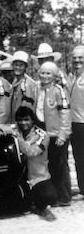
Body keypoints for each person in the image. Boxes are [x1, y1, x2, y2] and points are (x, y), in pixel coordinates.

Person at [1, 106, 57, 221]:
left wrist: (18, 138)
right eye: (20, 120)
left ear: (33, 120)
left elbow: (31, 152)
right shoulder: (15, 128)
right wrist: (2, 129)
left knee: (49, 196)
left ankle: (38, 203)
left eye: (27, 119)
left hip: (38, 177)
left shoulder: (42, 135)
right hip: (20, 177)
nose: (23, 123)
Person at [36, 61, 71, 206]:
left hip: (56, 134)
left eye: (48, 73)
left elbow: (65, 113)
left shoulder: (58, 90)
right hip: (43, 132)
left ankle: (63, 197)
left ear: (54, 75)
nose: (45, 76)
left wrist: (63, 134)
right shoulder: (38, 89)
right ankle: (52, 196)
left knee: (59, 166)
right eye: (42, 72)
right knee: (48, 166)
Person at [69, 45, 84, 197]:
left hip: (83, 123)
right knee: (78, 157)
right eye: (75, 58)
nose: (77, 60)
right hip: (74, 124)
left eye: (80, 57)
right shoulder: (72, 77)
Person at [10, 51, 37, 115]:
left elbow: (28, 109)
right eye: (16, 65)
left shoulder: (27, 85)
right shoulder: (15, 82)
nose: (17, 67)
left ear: (25, 67)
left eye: (21, 65)